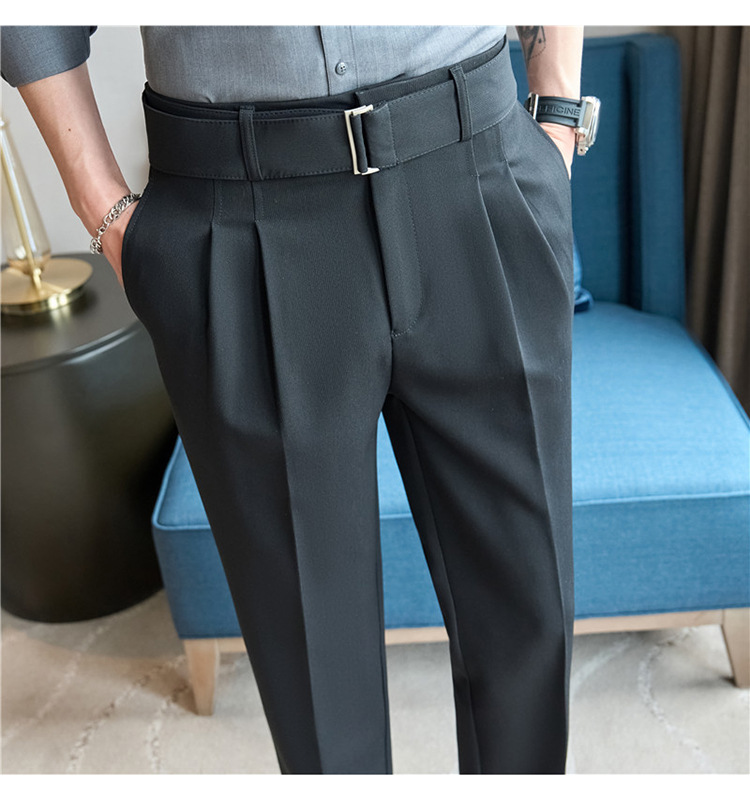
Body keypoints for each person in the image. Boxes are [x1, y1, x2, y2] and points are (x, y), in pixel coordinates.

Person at [1, 25, 584, 774]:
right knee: (315, 683)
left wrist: (558, 111)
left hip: (477, 167)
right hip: (241, 209)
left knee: (527, 622)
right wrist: (102, 206)